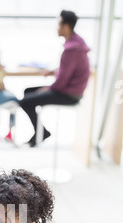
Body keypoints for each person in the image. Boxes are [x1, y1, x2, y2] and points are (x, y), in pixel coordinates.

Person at [19, 10, 90, 147]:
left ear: (66, 26)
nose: (56, 28)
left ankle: (43, 133)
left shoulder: (71, 49)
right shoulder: (77, 43)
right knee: (28, 91)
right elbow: (68, 70)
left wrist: (46, 89)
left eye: (58, 24)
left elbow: (61, 82)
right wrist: (53, 71)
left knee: (25, 102)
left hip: (68, 94)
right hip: (71, 90)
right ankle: (41, 132)